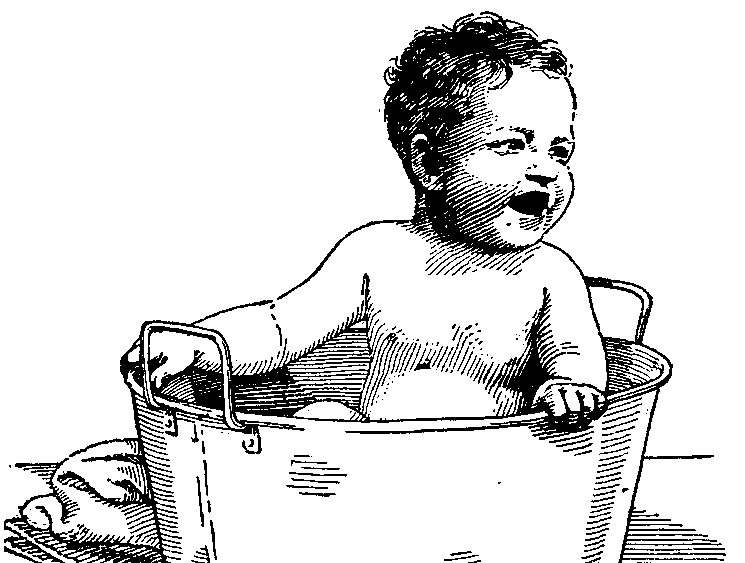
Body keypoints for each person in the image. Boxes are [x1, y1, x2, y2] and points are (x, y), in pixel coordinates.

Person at [125, 12, 607, 424]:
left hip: (492, 468)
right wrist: (201, 345)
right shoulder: (377, 255)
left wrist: (570, 387)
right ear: (428, 163)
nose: (545, 170)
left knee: (430, 401)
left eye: (560, 151)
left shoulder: (551, 275)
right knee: (310, 421)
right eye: (511, 146)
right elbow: (281, 328)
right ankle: (97, 504)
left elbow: (579, 359)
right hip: (359, 469)